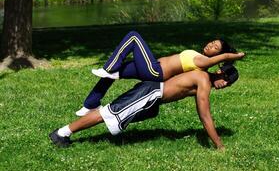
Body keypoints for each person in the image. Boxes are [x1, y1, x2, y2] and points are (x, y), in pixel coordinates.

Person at [50, 64, 239, 150]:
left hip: (152, 97)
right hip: (150, 92)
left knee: (118, 115)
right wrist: (219, 145)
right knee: (108, 113)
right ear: (219, 71)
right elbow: (205, 116)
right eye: (226, 79)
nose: (225, 84)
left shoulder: (203, 78)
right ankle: (62, 133)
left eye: (228, 84)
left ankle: (72, 130)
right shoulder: (203, 80)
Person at [76, 31, 245, 116]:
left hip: (154, 71)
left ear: (217, 56)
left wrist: (235, 56)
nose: (210, 45)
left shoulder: (203, 62)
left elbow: (223, 57)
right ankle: (91, 104)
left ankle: (109, 66)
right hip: (153, 67)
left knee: (134, 37)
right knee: (113, 75)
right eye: (212, 42)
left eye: (215, 48)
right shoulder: (201, 59)